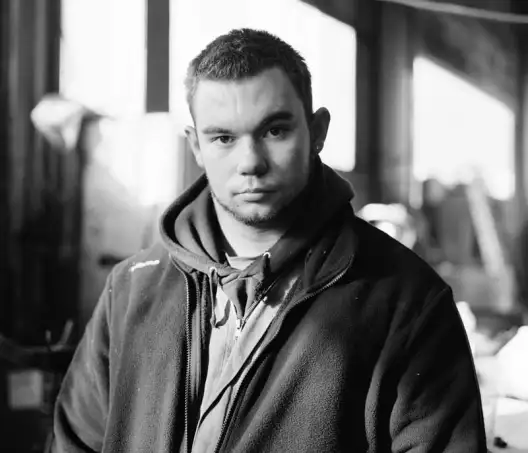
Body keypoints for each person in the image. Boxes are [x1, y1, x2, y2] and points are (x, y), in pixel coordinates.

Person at [51, 28, 486, 452]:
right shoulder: (131, 289)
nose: (250, 163)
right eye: (223, 138)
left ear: (317, 132)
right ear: (196, 146)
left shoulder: (407, 302)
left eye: (275, 131)